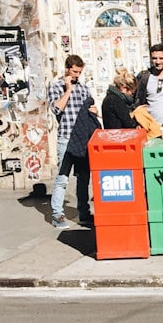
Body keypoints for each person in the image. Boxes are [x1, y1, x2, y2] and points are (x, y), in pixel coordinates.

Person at [48, 55, 98, 229]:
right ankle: (57, 214)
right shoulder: (56, 87)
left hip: (82, 137)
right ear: (67, 68)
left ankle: (84, 212)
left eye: (80, 72)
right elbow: (56, 108)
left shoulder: (84, 89)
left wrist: (94, 110)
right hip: (66, 136)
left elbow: (91, 109)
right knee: (63, 178)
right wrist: (68, 89)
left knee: (83, 177)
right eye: (75, 71)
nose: (77, 75)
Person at [134, 43, 163, 128]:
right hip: (151, 127)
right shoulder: (144, 77)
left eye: (161, 58)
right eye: (154, 58)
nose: (158, 62)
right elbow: (137, 100)